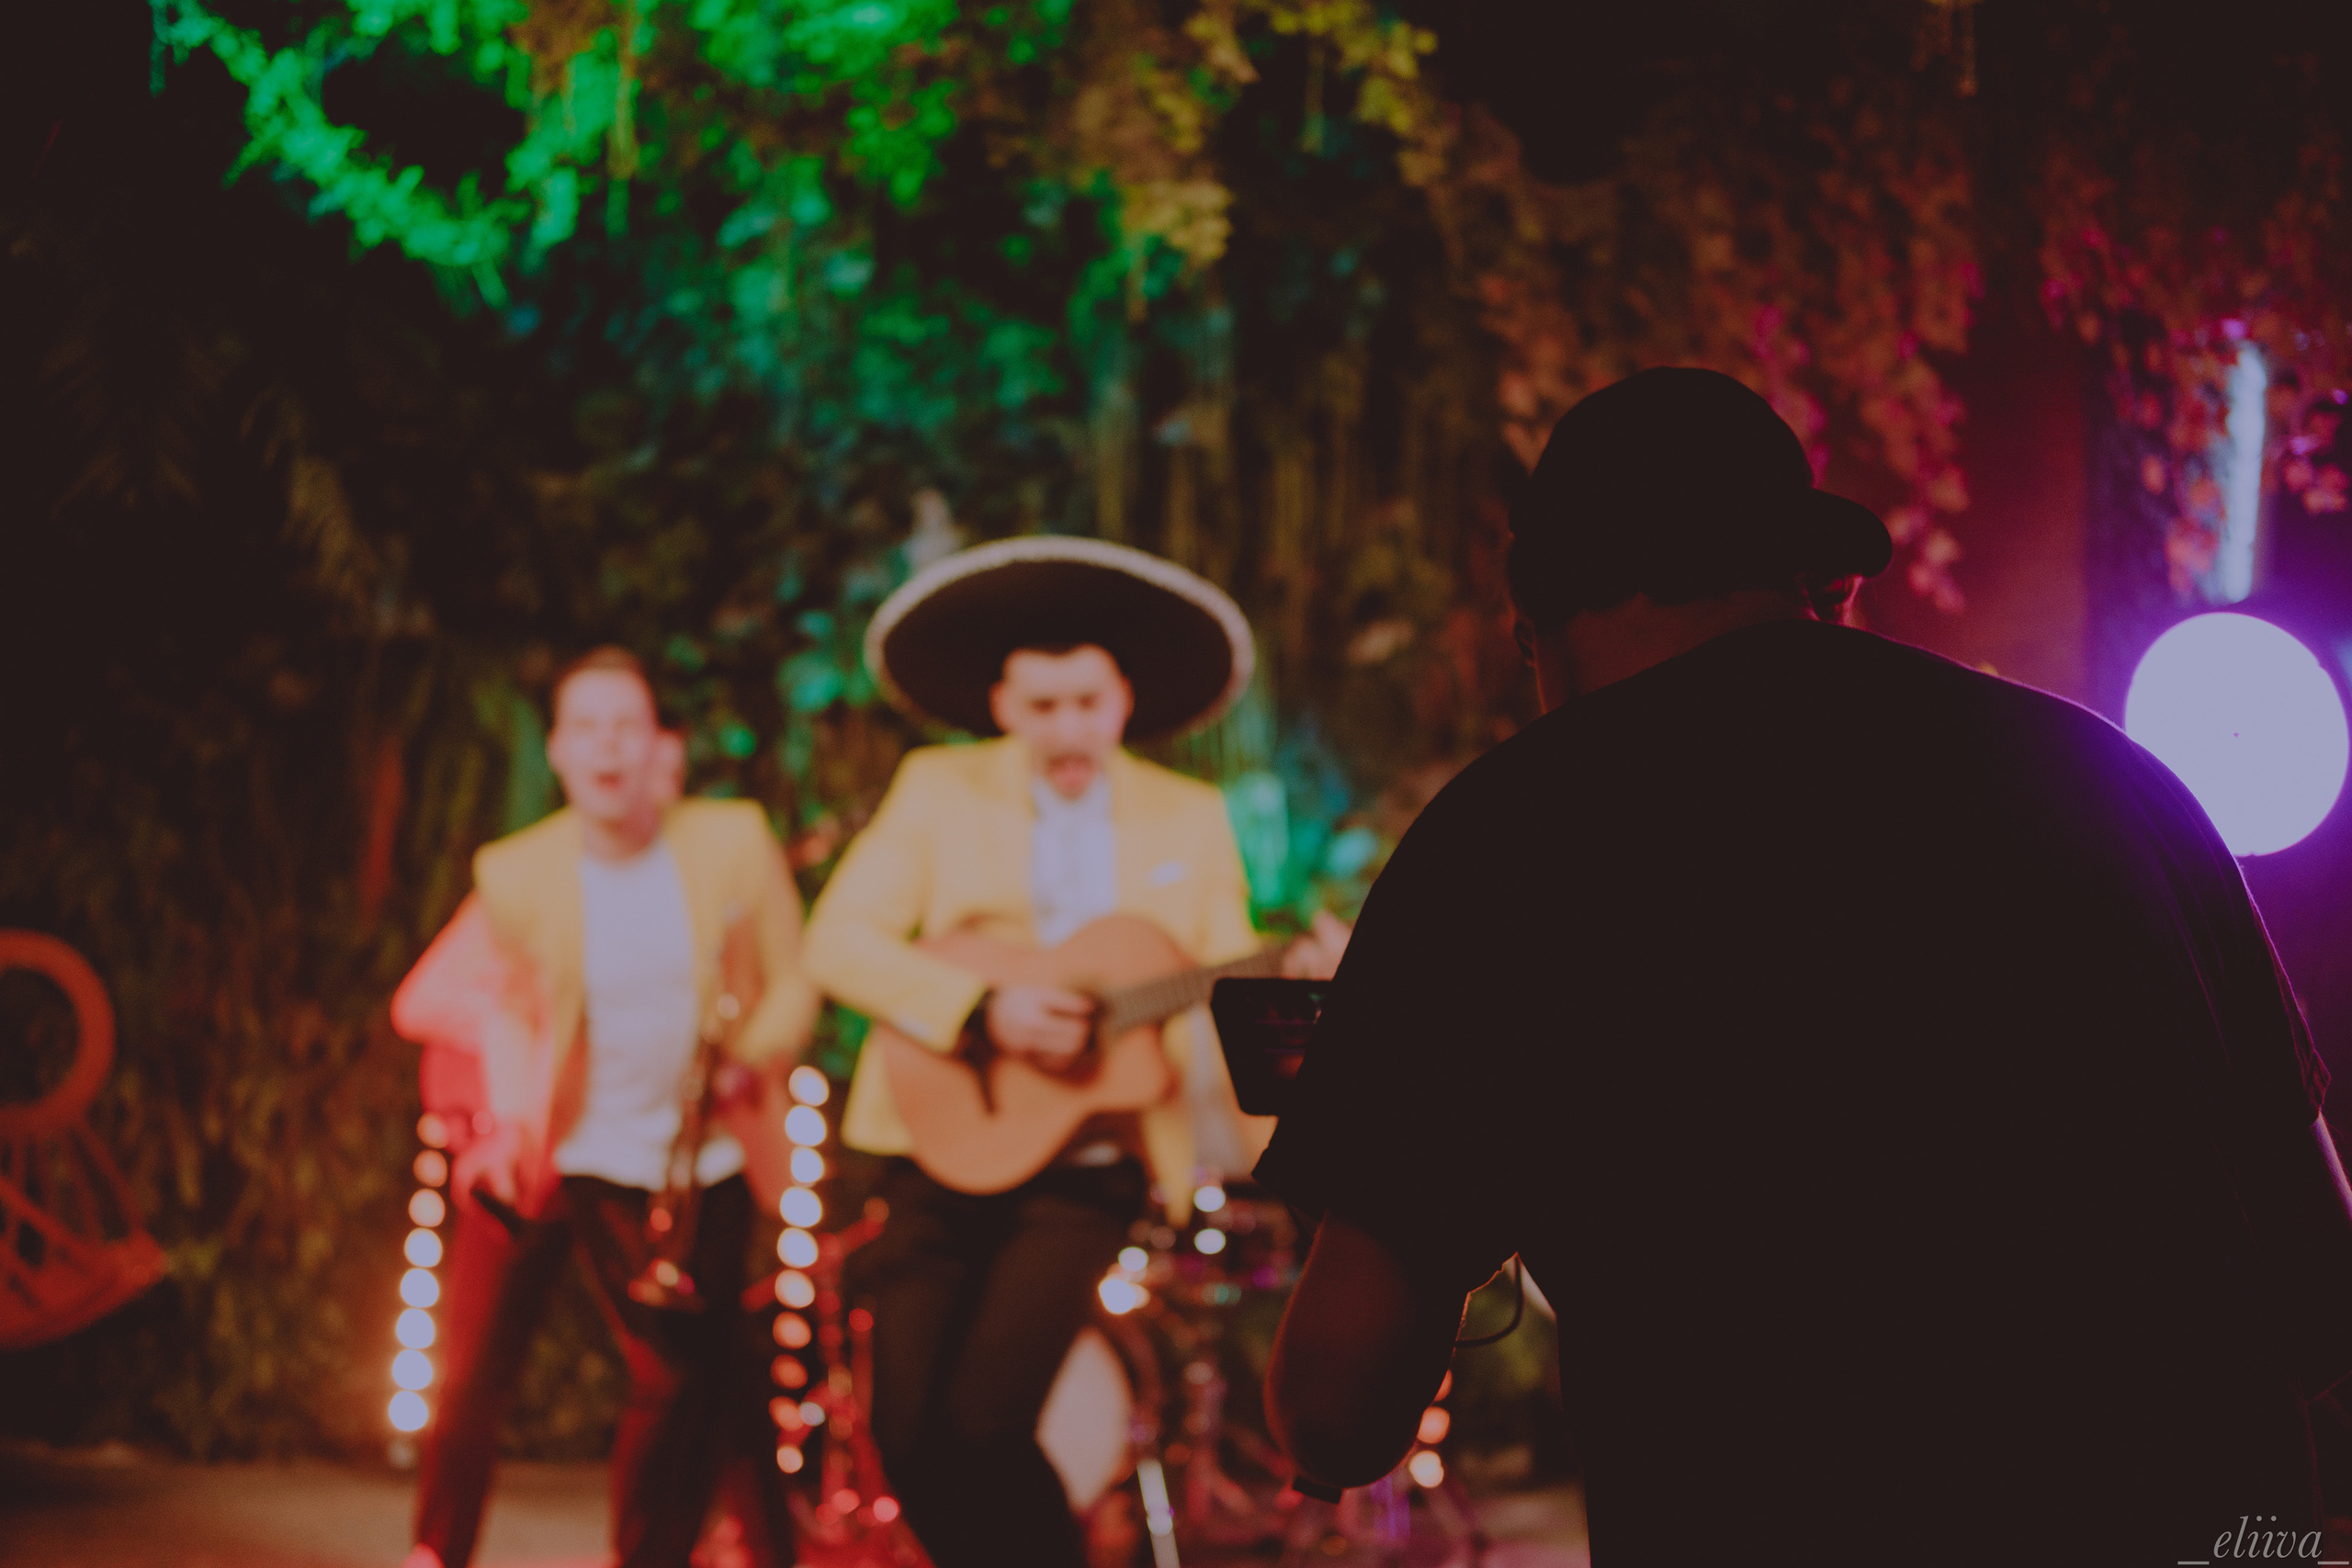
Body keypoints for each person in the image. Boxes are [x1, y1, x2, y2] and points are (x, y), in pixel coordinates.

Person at [1256, 368, 2352, 1565]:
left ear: (1536, 628)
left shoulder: (1507, 838)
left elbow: (1336, 1413)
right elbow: (2321, 1292)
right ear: (1819, 583)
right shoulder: (2120, 781)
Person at [801, 536, 1346, 1568]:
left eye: (1086, 703)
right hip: (933, 1149)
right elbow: (836, 942)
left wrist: (1306, 984)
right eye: (1041, 705)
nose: (1066, 727)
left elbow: (1230, 984)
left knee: (987, 1425)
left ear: (1123, 702)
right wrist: (981, 1009)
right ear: (1002, 705)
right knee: (905, 1436)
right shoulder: (936, 789)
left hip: (1087, 1171)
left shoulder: (1190, 816)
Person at [399, 649, 820, 1568]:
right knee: (476, 1369)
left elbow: (794, 978)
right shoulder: (518, 873)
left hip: (697, 1156)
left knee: (692, 1379)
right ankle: (436, 1550)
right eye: (586, 727)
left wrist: (749, 1055)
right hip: (565, 1147)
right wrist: (505, 1121)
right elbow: (486, 1005)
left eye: (627, 726)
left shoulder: (729, 842)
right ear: (557, 748)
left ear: (662, 745)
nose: (609, 746)